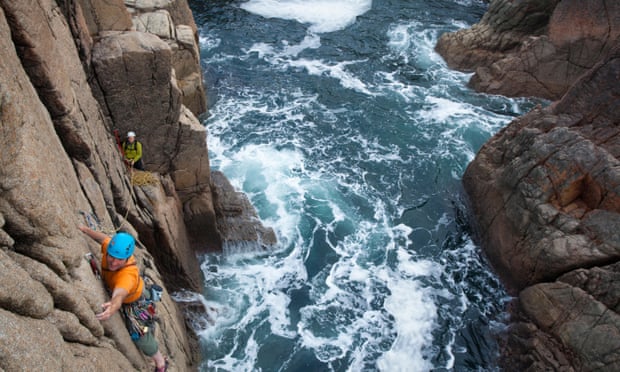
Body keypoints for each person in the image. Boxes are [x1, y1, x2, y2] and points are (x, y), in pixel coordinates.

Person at [79, 226, 167, 372]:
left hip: (133, 301)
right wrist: (85, 230)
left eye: (119, 260)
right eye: (111, 257)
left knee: (140, 335)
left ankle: (160, 362)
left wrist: (115, 303)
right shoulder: (113, 249)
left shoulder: (127, 275)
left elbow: (121, 291)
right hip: (134, 291)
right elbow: (103, 239)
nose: (113, 262)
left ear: (127, 259)